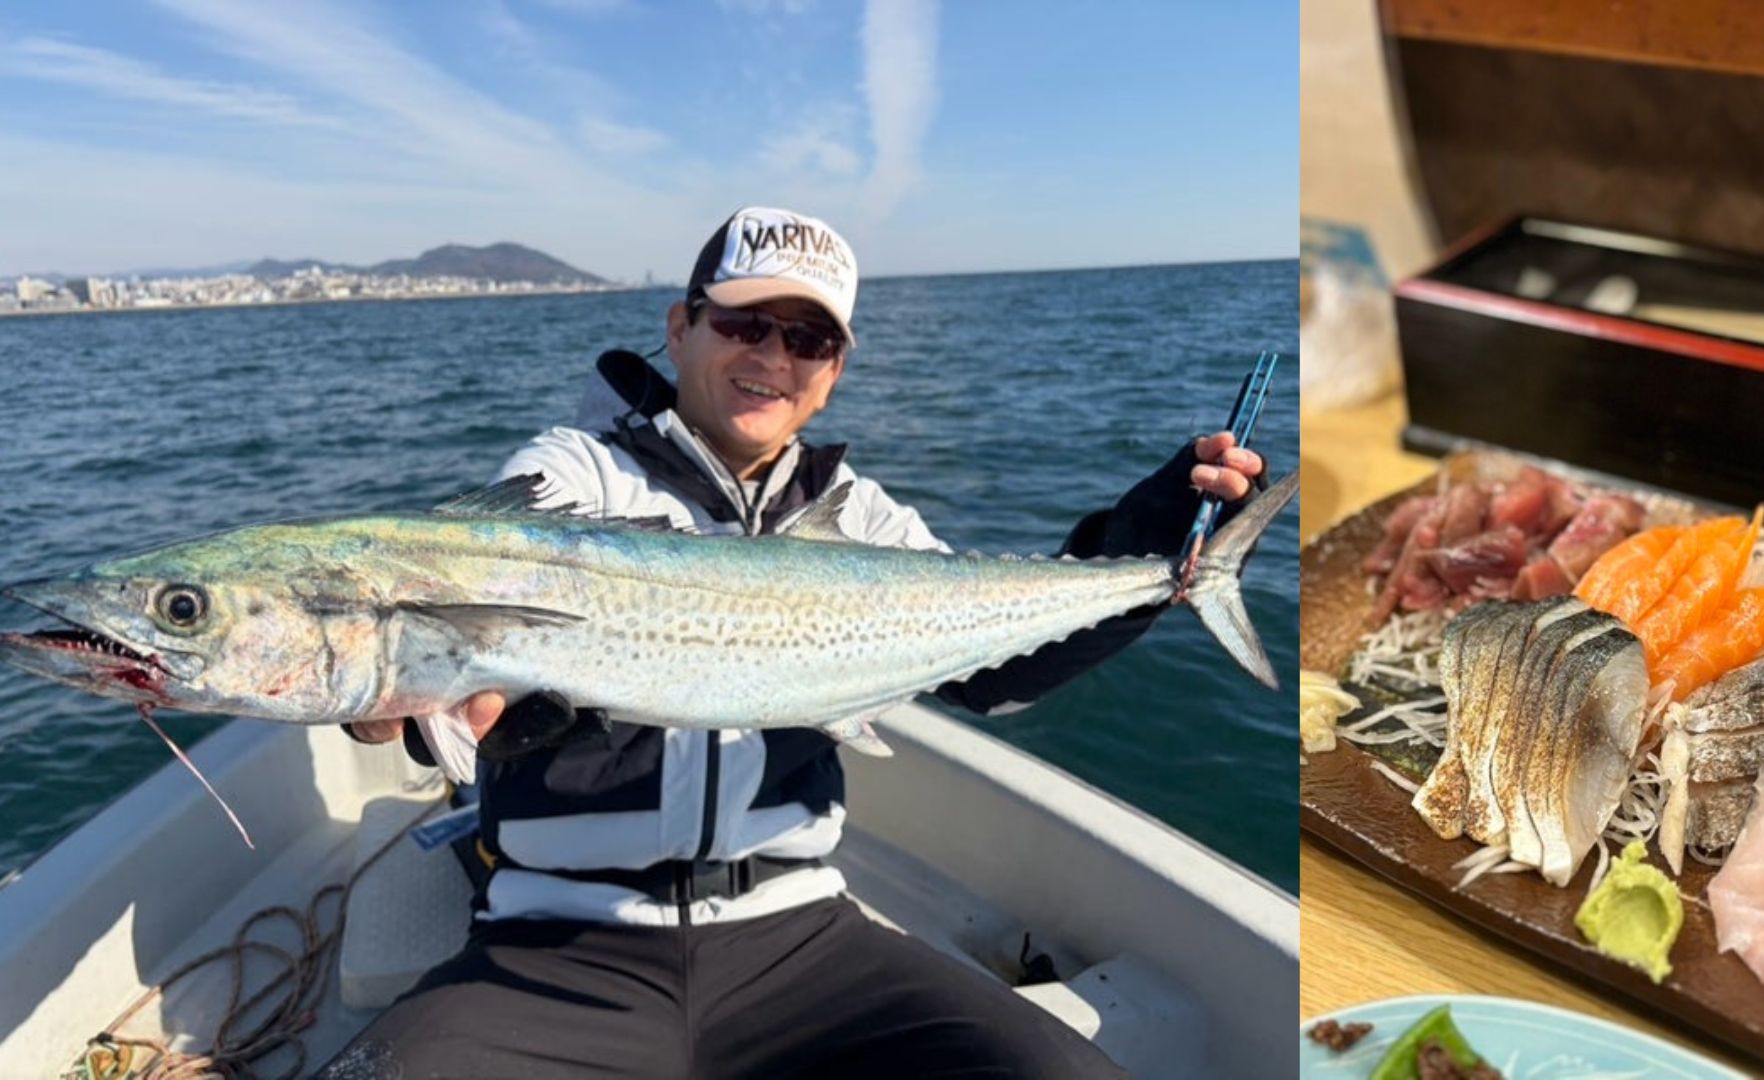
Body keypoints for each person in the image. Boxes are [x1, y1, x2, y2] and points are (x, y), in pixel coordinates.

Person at [320, 206, 1267, 1079]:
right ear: (681, 328)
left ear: (834, 372)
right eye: (745, 323)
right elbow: (450, 634)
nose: (773, 356)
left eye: (808, 339)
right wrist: (398, 707)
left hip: (800, 938)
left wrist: (1143, 548)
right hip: (555, 944)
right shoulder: (569, 479)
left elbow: (998, 678)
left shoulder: (860, 519)